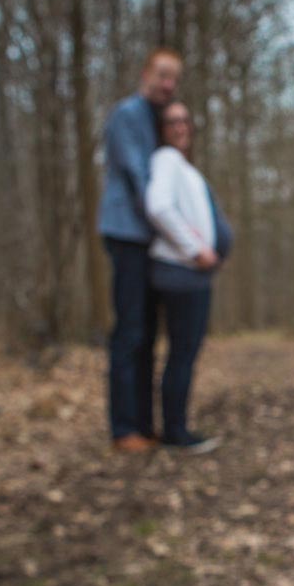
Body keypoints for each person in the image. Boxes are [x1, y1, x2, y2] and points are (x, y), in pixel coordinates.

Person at [99, 48, 183, 453]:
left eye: (174, 79)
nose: (168, 85)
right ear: (145, 73)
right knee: (130, 333)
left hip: (148, 240)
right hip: (128, 235)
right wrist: (173, 223)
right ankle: (122, 428)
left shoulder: (155, 120)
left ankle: (144, 424)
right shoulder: (128, 115)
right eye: (163, 76)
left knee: (148, 333)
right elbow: (139, 177)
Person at [145, 101, 233, 454]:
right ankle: (175, 431)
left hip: (190, 272)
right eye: (171, 121)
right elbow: (158, 206)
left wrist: (213, 249)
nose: (180, 126)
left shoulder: (180, 165)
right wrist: (197, 249)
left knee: (183, 352)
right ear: (162, 129)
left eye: (184, 119)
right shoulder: (165, 159)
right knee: (182, 354)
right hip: (181, 272)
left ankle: (174, 427)